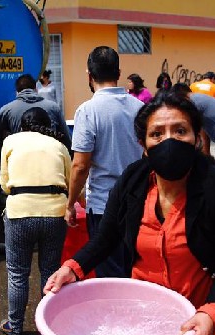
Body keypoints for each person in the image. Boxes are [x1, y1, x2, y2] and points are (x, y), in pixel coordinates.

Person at [44, 91, 215, 335]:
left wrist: (212, 311)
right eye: (157, 133)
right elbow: (107, 237)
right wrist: (73, 267)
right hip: (144, 314)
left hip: (200, 313)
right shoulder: (133, 180)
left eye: (180, 130)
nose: (169, 141)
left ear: (198, 137)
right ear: (144, 144)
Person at [66, 46, 144, 278]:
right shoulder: (140, 108)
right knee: (134, 270)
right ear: (119, 73)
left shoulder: (88, 111)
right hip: (138, 203)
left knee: (110, 276)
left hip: (103, 207)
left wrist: (71, 204)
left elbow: (80, 165)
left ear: (89, 75)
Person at [0, 107, 71, 335]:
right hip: (54, 214)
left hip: (20, 212)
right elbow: (72, 181)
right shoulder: (58, 145)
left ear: (23, 125)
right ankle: (48, 325)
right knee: (49, 271)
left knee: (18, 273)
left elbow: (4, 183)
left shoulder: (10, 141)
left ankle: (15, 326)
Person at [0, 74, 71, 151]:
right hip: (50, 158)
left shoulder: (8, 109)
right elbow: (67, 137)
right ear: (36, 89)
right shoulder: (53, 107)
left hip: (20, 160)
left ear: (17, 92)